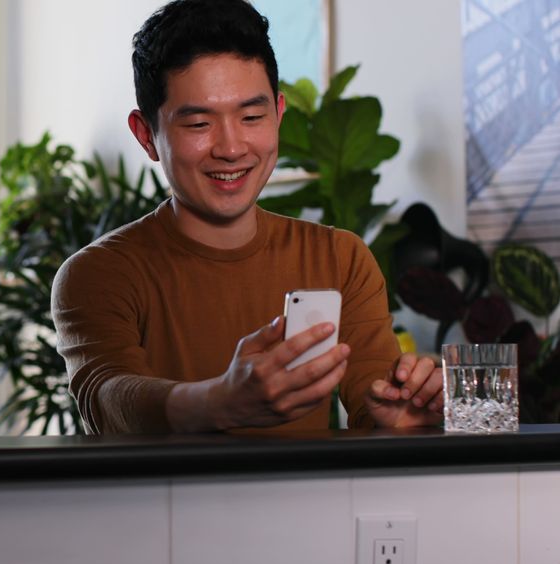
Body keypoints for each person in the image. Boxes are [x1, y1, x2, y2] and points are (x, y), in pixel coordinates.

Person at [50, 0, 442, 434]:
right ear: (147, 135)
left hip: (307, 503)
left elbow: (375, 409)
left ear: (278, 113)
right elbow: (108, 399)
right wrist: (217, 403)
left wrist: (402, 418)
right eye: (199, 124)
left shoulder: (340, 257)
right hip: (164, 504)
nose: (232, 147)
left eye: (252, 116)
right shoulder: (99, 272)